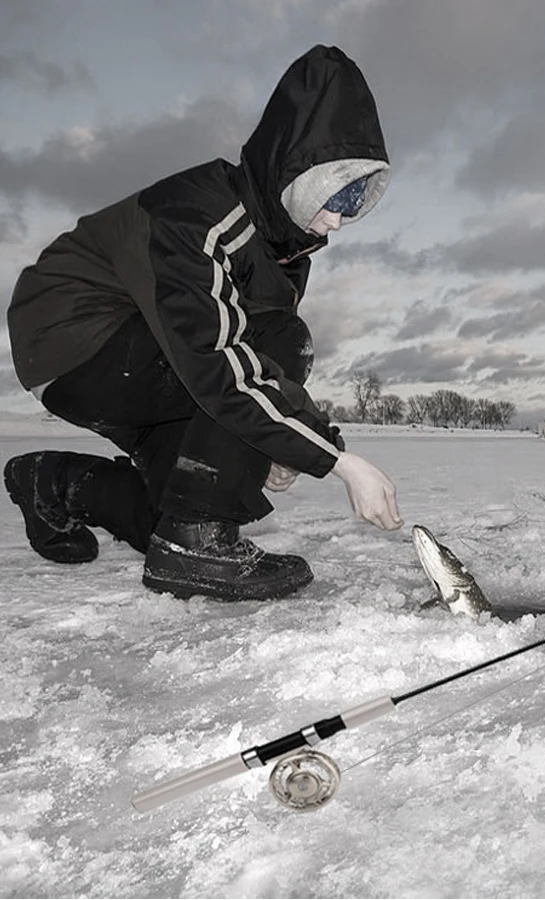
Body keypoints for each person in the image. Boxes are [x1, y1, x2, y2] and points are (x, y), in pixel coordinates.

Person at [4, 45, 403, 602]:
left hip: (143, 354)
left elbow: (246, 372)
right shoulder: (202, 216)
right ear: (294, 165)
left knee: (165, 520)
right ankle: (196, 540)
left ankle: (53, 482)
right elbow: (227, 363)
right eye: (336, 191)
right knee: (285, 341)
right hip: (76, 334)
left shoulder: (282, 256)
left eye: (357, 198)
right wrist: (335, 459)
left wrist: (277, 447)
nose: (339, 216)